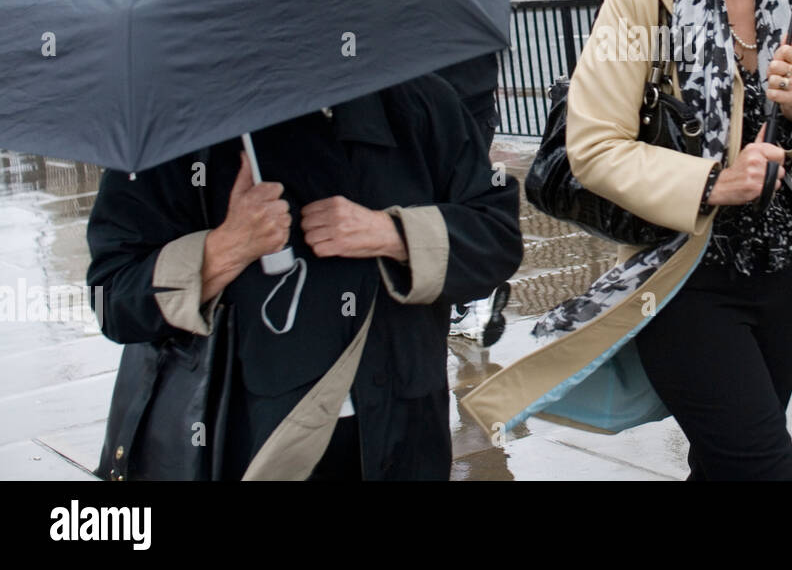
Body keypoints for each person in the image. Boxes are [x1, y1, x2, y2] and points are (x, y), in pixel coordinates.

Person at [461, 0, 792, 480]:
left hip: (787, 274)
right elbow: (595, 145)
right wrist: (713, 183)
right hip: (684, 276)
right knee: (765, 467)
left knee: (726, 463)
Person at [86, 73, 523, 480]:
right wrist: (223, 250)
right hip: (249, 447)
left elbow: (496, 241)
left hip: (405, 439)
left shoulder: (419, 102)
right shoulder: (174, 127)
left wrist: (391, 234)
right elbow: (114, 297)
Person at [434, 52, 511, 347]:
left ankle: (468, 300)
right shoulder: (471, 25)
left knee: (444, 209)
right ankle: (476, 292)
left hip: (441, 109)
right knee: (468, 200)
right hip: (479, 106)